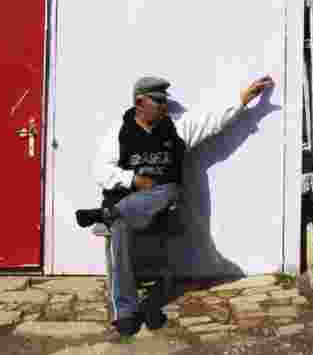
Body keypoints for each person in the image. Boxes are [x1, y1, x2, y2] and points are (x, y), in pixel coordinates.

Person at [75, 74, 275, 337]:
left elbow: (213, 120)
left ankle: (109, 218)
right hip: (127, 201)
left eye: (165, 101)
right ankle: (126, 311)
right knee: (121, 231)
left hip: (162, 206)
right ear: (139, 102)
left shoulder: (176, 129)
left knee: (170, 190)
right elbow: (99, 170)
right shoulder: (118, 133)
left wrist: (244, 100)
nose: (164, 106)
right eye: (158, 101)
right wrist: (133, 179)